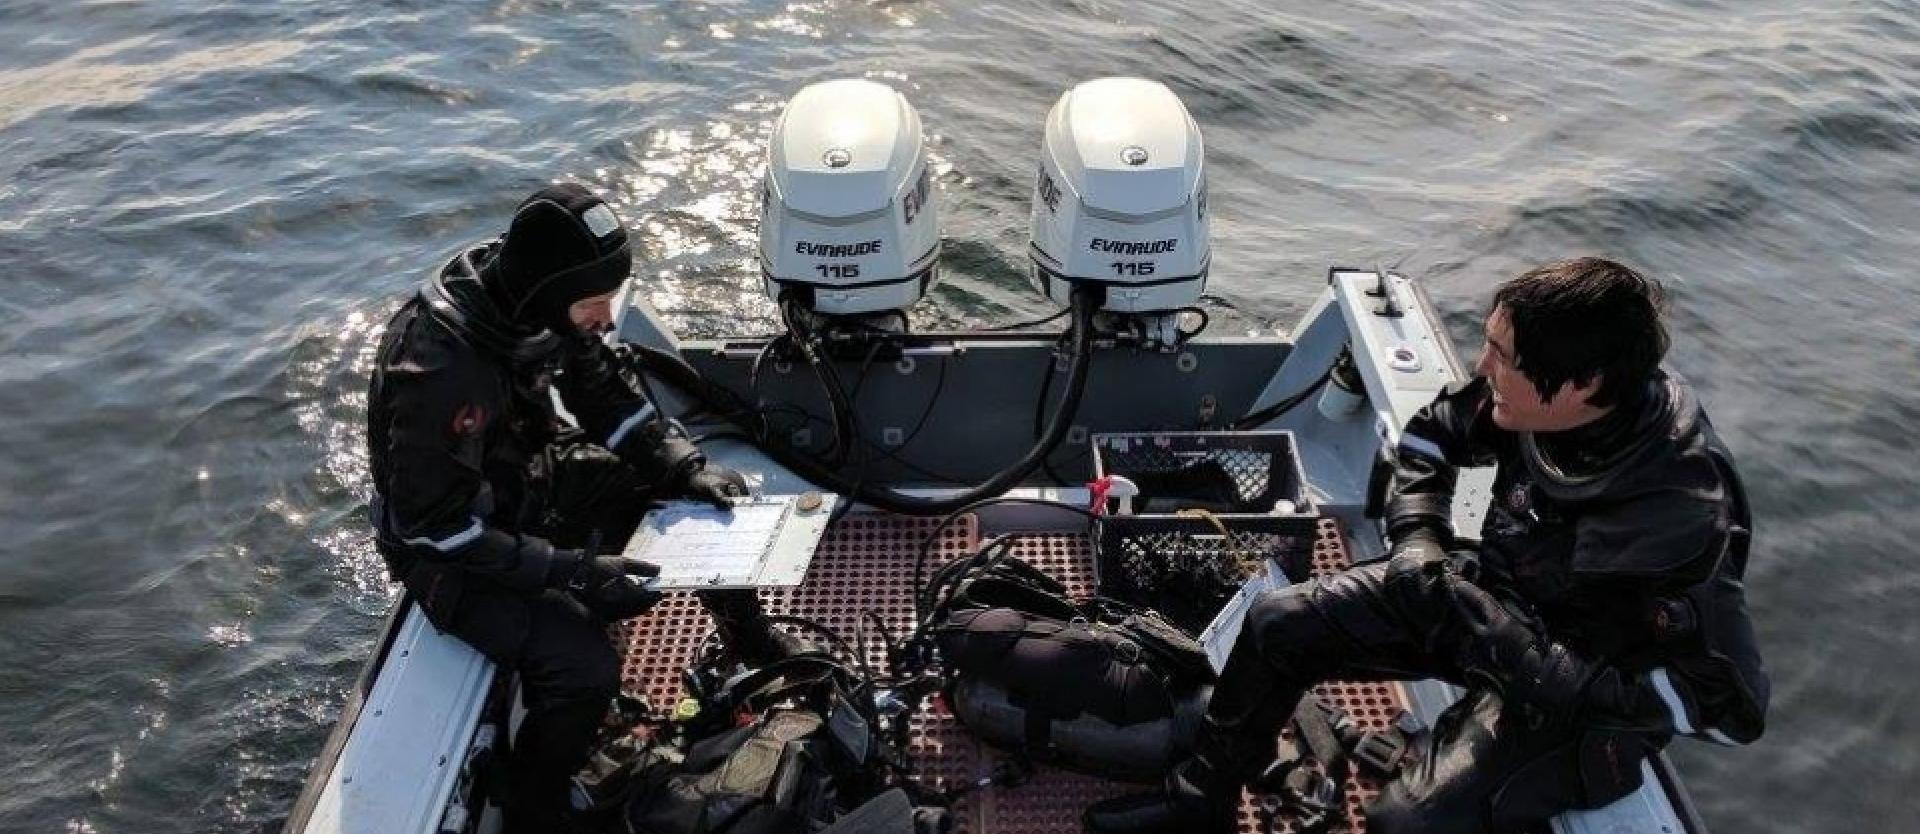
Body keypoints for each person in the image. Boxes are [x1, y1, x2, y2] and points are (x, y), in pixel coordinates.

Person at [1084, 258, 1769, 834]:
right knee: (1276, 625)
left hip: (1560, 700)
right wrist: (1417, 539)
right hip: (1477, 595)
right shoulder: (1529, 399)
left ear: (1582, 387)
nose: (1482, 365)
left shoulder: (1681, 514)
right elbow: (1431, 438)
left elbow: (1731, 706)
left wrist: (1543, 669)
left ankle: (1461, 747)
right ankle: (1199, 799)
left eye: (1501, 357)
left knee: (1402, 823)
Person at [366, 183, 806, 833]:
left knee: (699, 500)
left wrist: (685, 466)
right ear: (554, 298)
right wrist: (574, 570)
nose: (606, 316)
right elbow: (433, 528)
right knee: (583, 666)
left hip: (527, 476)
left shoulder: (536, 301)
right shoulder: (440, 370)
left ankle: (750, 641)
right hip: (451, 547)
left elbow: (604, 395)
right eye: (594, 304)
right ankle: (532, 801)